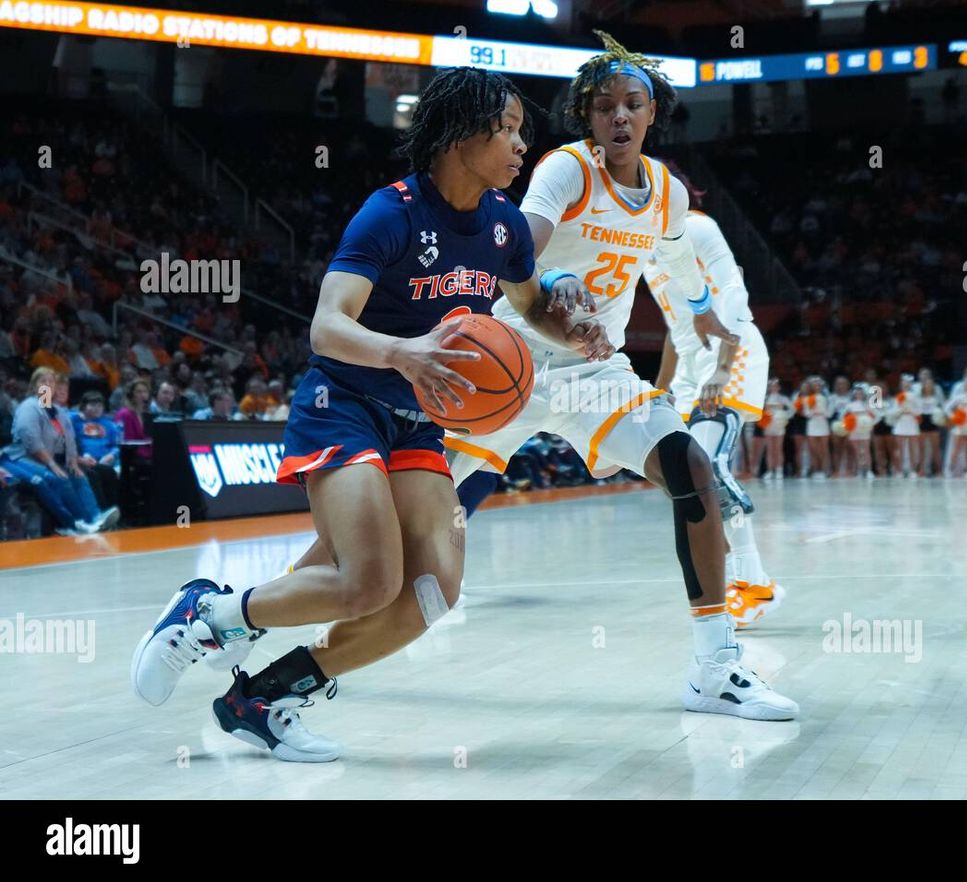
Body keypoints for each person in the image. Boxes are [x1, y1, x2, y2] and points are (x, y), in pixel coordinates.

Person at [130, 66, 616, 761]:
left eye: (520, 132)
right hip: (345, 404)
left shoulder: (506, 227)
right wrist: (404, 353)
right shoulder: (391, 212)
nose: (519, 146)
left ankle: (266, 696)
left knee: (430, 592)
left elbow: (534, 303)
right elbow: (328, 326)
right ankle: (207, 617)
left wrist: (571, 330)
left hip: (417, 419)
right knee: (367, 581)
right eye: (506, 129)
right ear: (458, 134)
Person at [445, 32, 796, 719]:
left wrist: (706, 318)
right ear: (588, 117)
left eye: (633, 104)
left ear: (653, 113)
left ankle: (715, 666)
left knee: (690, 469)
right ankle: (237, 618)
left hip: (593, 371)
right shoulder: (565, 170)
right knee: (401, 523)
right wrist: (560, 284)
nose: (620, 117)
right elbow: (515, 252)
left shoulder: (667, 193)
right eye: (605, 106)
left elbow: (676, 265)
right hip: (510, 358)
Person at [644, 171, 784, 628]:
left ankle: (756, 585)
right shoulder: (645, 249)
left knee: (713, 467)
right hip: (688, 367)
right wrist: (660, 389)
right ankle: (735, 580)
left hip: (732, 351)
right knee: (686, 475)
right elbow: (674, 325)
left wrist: (721, 371)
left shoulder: (699, 227)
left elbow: (733, 297)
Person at [0, 367, 119, 534]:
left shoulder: (58, 412)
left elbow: (69, 439)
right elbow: (31, 440)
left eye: (51, 382)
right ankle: (76, 523)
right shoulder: (29, 407)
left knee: (78, 475)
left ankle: (94, 518)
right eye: (43, 381)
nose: (48, 385)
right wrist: (52, 464)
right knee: (58, 477)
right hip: (21, 457)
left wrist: (72, 461)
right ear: (35, 386)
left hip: (45, 459)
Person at [70, 389, 121, 509]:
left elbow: (116, 446)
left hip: (106, 460)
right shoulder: (75, 421)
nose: (97, 408)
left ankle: (113, 510)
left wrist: (112, 455)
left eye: (100, 405)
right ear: (83, 406)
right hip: (85, 460)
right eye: (92, 405)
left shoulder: (108, 424)